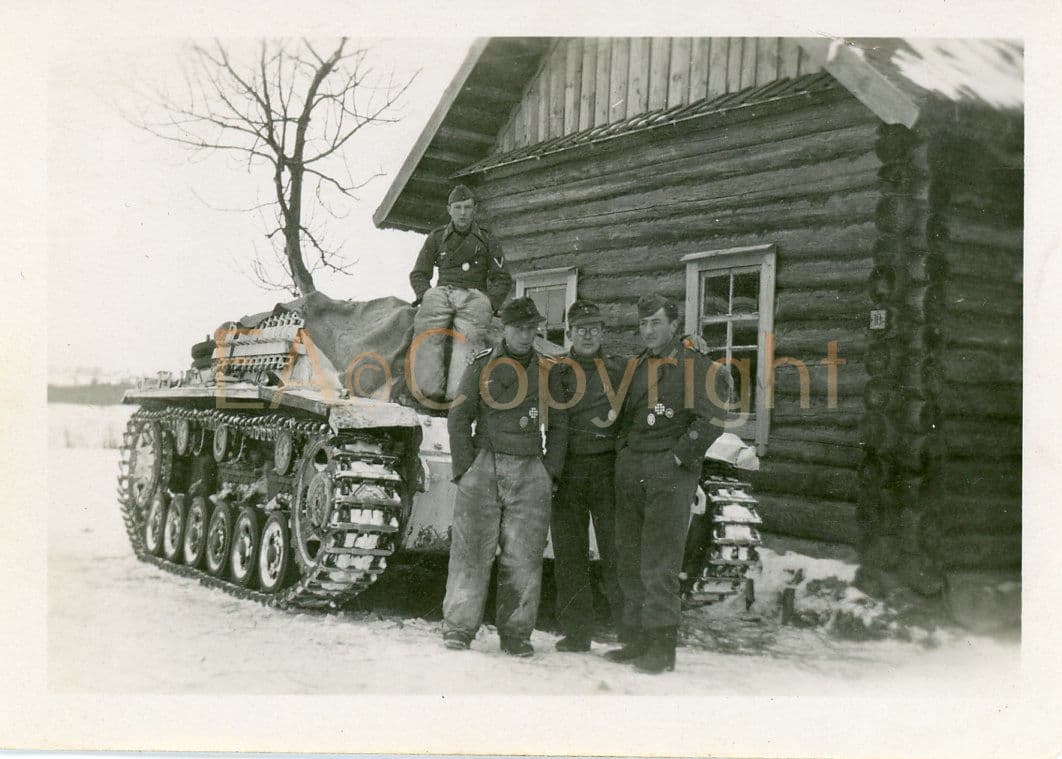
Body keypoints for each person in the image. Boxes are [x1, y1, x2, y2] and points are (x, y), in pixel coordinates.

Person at [605, 294, 728, 674]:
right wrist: (625, 452)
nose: (648, 330)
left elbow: (713, 420)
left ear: (674, 326)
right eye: (643, 324)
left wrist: (677, 457)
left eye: (655, 323)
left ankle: (661, 647)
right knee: (631, 557)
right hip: (633, 469)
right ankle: (638, 638)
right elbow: (625, 416)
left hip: (670, 472)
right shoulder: (637, 366)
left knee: (660, 561)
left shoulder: (698, 367)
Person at [442, 297, 568, 657]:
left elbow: (560, 425)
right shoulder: (482, 365)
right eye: (520, 328)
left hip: (531, 466)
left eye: (532, 328)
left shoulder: (548, 371)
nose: (527, 335)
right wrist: (466, 469)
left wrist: (549, 472)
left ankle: (516, 634)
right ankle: (459, 628)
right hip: (484, 464)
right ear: (505, 329)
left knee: (524, 557)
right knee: (471, 551)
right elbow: (459, 417)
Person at [549, 300, 625, 652]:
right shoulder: (557, 372)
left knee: (617, 551)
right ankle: (577, 633)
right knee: (570, 555)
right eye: (581, 329)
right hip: (569, 472)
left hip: (608, 471)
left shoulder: (620, 368)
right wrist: (552, 472)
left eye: (595, 328)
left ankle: (628, 633)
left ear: (603, 332)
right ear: (570, 334)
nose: (589, 334)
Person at [408, 184, 512, 404]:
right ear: (449, 210)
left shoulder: (487, 239)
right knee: (426, 329)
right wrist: (425, 295)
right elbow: (419, 273)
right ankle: (427, 390)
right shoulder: (437, 238)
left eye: (467, 207)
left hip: (474, 294)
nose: (463, 213)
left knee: (469, 338)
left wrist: (490, 303)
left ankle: (459, 394)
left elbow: (501, 277)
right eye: (458, 207)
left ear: (474, 209)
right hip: (442, 291)